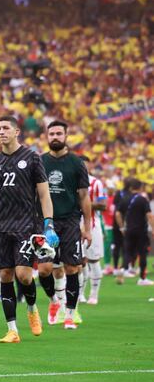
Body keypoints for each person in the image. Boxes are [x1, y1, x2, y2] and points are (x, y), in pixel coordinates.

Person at [0, 115, 55, 344]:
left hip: (26, 225)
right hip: (0, 227)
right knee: (5, 276)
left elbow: (44, 194)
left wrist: (48, 223)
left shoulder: (32, 158)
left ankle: (32, 308)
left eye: (5, 128)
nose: (1, 132)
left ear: (16, 131)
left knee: (23, 274)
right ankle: (12, 330)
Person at [39, 120, 92, 330]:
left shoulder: (77, 163)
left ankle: (69, 314)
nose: (55, 137)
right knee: (44, 270)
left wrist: (87, 228)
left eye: (59, 133)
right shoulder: (40, 161)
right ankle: (54, 302)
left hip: (70, 220)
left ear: (66, 136)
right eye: (51, 133)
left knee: (72, 268)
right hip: (45, 221)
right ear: (47, 136)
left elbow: (84, 197)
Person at [78, 156, 107, 303]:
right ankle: (80, 293)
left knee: (94, 260)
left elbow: (103, 205)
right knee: (78, 262)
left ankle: (94, 294)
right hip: (74, 225)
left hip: (93, 226)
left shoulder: (96, 183)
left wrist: (84, 203)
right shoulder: (70, 181)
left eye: (85, 165)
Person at [120, 179, 154, 285]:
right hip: (140, 230)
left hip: (129, 229)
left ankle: (124, 270)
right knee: (142, 253)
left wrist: (122, 227)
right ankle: (142, 279)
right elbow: (149, 215)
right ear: (140, 188)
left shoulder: (125, 199)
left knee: (128, 251)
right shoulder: (142, 199)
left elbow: (118, 213)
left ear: (130, 188)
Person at [111, 178, 133, 275]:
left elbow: (115, 208)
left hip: (116, 223)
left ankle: (116, 268)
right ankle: (125, 268)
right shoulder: (131, 196)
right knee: (126, 246)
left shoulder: (118, 194)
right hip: (127, 223)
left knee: (117, 245)